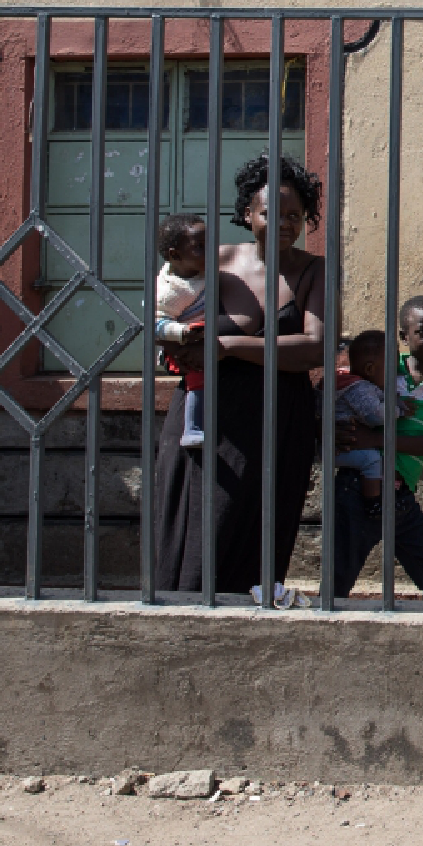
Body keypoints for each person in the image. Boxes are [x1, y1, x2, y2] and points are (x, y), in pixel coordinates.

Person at [151, 153, 327, 602]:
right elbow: (163, 316)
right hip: (205, 414)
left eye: (295, 215)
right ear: (248, 213)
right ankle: (174, 620)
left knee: (255, 538)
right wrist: (177, 344)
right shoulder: (214, 261)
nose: (284, 224)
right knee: (190, 527)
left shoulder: (314, 272)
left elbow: (313, 348)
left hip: (277, 420)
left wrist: (226, 346)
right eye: (270, 213)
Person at [328, 295, 423, 603]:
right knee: (337, 582)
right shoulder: (381, 365)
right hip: (355, 490)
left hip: (399, 494)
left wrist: (376, 440)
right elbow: (340, 399)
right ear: (404, 337)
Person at [152, 213, 209, 448]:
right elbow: (156, 324)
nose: (211, 251)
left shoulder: (202, 269)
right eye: (201, 247)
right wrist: (182, 332)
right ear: (175, 256)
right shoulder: (170, 292)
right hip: (185, 344)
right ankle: (193, 428)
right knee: (198, 377)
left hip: (207, 334)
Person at [326, 329, 396, 520]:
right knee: (372, 459)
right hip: (340, 446)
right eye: (391, 368)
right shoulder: (359, 388)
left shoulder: (348, 382)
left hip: (335, 445)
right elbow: (374, 416)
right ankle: (372, 502)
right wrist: (396, 410)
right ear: (370, 369)